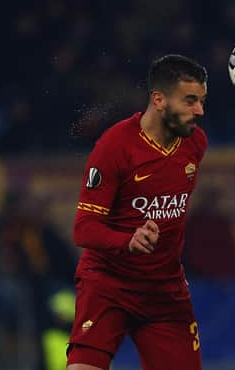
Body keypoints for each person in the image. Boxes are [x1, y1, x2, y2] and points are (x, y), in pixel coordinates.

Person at [67, 55, 208, 370]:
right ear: (158, 99)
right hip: (108, 283)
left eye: (201, 100)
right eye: (190, 101)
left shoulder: (195, 143)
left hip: (164, 290)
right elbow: (83, 228)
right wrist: (127, 240)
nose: (199, 110)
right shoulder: (114, 146)